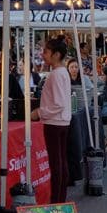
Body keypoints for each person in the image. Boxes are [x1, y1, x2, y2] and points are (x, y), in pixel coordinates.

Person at [30, 38, 71, 203]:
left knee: (57, 164)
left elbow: (58, 104)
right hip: (60, 122)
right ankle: (59, 199)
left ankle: (56, 201)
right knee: (60, 162)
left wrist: (39, 112)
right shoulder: (61, 73)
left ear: (56, 54)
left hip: (54, 122)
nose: (43, 54)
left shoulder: (56, 74)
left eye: (46, 51)